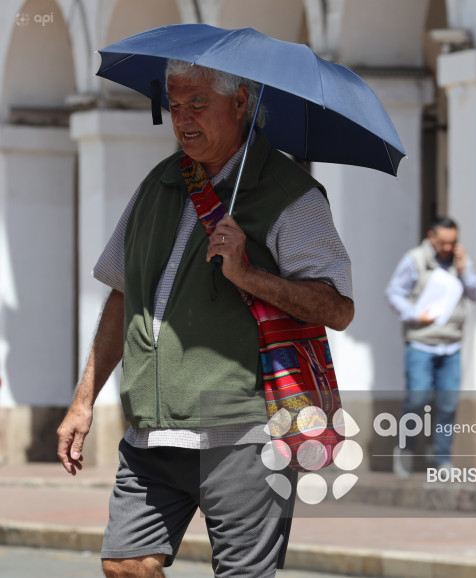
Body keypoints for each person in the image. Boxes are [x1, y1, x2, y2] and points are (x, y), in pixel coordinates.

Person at [56, 60, 353, 578]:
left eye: (198, 103)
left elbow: (337, 307)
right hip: (150, 432)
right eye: (174, 104)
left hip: (244, 434)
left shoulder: (288, 192)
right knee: (125, 564)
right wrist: (83, 402)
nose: (183, 118)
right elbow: (124, 296)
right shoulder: (160, 183)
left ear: (241, 103)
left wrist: (248, 274)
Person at [385, 217, 476, 476]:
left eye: (453, 242)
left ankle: (442, 460)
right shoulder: (414, 259)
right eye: (443, 242)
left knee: (448, 405)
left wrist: (464, 269)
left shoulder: (460, 261)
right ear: (431, 237)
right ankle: (405, 452)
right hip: (421, 343)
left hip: (451, 345)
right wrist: (415, 314)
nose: (448, 248)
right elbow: (393, 292)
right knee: (417, 399)